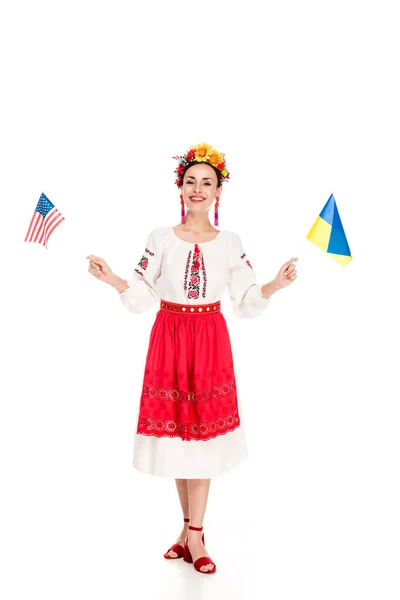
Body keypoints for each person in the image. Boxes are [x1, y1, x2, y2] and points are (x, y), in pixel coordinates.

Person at [86, 142, 297, 574]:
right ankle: (187, 531)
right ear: (179, 187)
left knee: (203, 437)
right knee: (181, 439)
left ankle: (196, 537)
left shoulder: (230, 242)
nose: (197, 189)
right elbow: (143, 295)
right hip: (169, 334)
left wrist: (274, 284)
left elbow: (245, 299)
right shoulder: (160, 237)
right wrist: (113, 280)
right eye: (190, 181)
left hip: (209, 339)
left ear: (219, 192)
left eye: (207, 182)